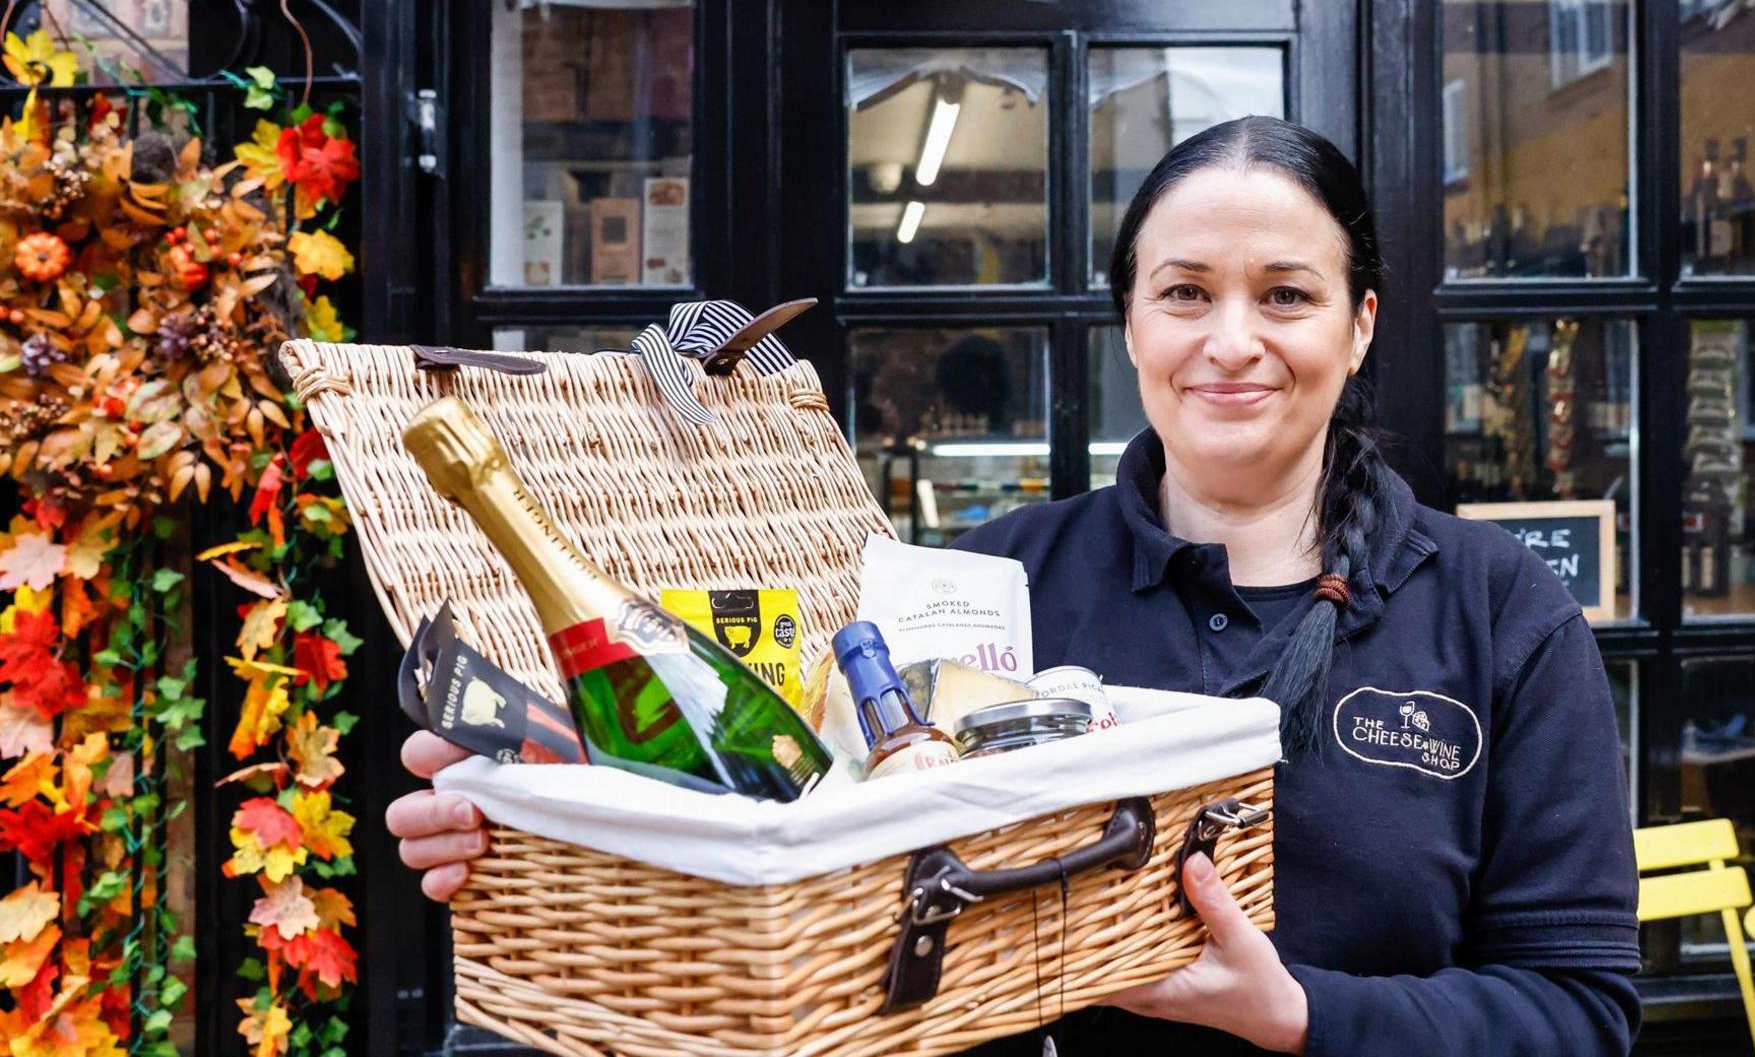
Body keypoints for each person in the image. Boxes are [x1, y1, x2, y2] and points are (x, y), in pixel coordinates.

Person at [387, 116, 1641, 1055]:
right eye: (1186, 294)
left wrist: (1304, 1016)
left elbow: (1579, 1011)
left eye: (1288, 297)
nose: (1231, 340)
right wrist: (548, 815)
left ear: (1359, 326)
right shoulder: (986, 582)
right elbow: (792, 831)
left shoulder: (1497, 612)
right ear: (1133, 325)